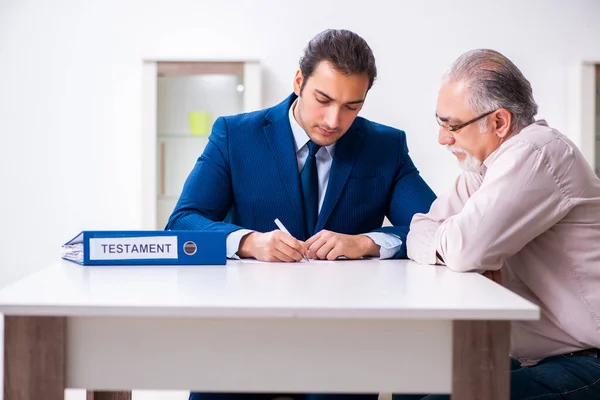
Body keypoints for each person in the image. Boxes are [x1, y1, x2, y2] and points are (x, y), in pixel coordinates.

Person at [166, 29, 436, 400]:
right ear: (298, 81)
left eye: (351, 106)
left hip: (345, 339)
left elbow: (434, 228)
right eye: (322, 99)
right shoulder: (234, 135)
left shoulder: (384, 146)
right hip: (244, 333)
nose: (333, 119)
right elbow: (183, 221)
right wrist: (249, 242)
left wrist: (367, 242)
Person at [403, 49, 600, 400]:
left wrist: (461, 246)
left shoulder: (537, 152)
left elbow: (465, 250)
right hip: (535, 356)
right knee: (414, 379)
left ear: (499, 122)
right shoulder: (485, 168)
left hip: (587, 360)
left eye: (452, 125)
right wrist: (458, 244)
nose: (442, 138)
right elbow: (420, 227)